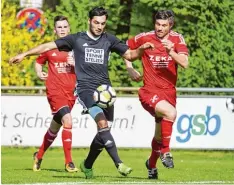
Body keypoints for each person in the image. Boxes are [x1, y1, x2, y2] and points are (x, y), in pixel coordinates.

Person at [9, 7, 154, 178]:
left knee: (104, 131)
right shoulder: (77, 39)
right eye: (96, 22)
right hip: (86, 91)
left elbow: (130, 55)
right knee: (102, 124)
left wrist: (142, 49)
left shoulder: (109, 40)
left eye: (102, 23)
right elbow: (47, 46)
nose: (99, 26)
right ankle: (119, 163)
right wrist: (25, 54)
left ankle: (87, 164)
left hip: (105, 91)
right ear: (89, 21)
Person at [125, 10, 189, 179]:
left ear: (171, 25)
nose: (160, 28)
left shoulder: (177, 39)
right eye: (157, 24)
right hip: (149, 91)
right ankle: (166, 152)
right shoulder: (144, 37)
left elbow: (185, 63)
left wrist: (171, 53)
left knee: (159, 135)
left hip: (169, 93)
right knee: (171, 113)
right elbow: (125, 47)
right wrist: (130, 68)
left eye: (164, 25)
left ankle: (151, 165)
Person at [33, 15, 78, 172]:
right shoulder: (49, 48)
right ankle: (69, 162)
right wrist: (39, 73)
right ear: (55, 30)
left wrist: (77, 64)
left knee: (54, 128)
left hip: (71, 94)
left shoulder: (77, 47)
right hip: (54, 91)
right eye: (59, 27)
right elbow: (38, 62)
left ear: (69, 29)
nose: (62, 30)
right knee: (68, 120)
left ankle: (38, 155)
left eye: (65, 27)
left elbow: (87, 69)